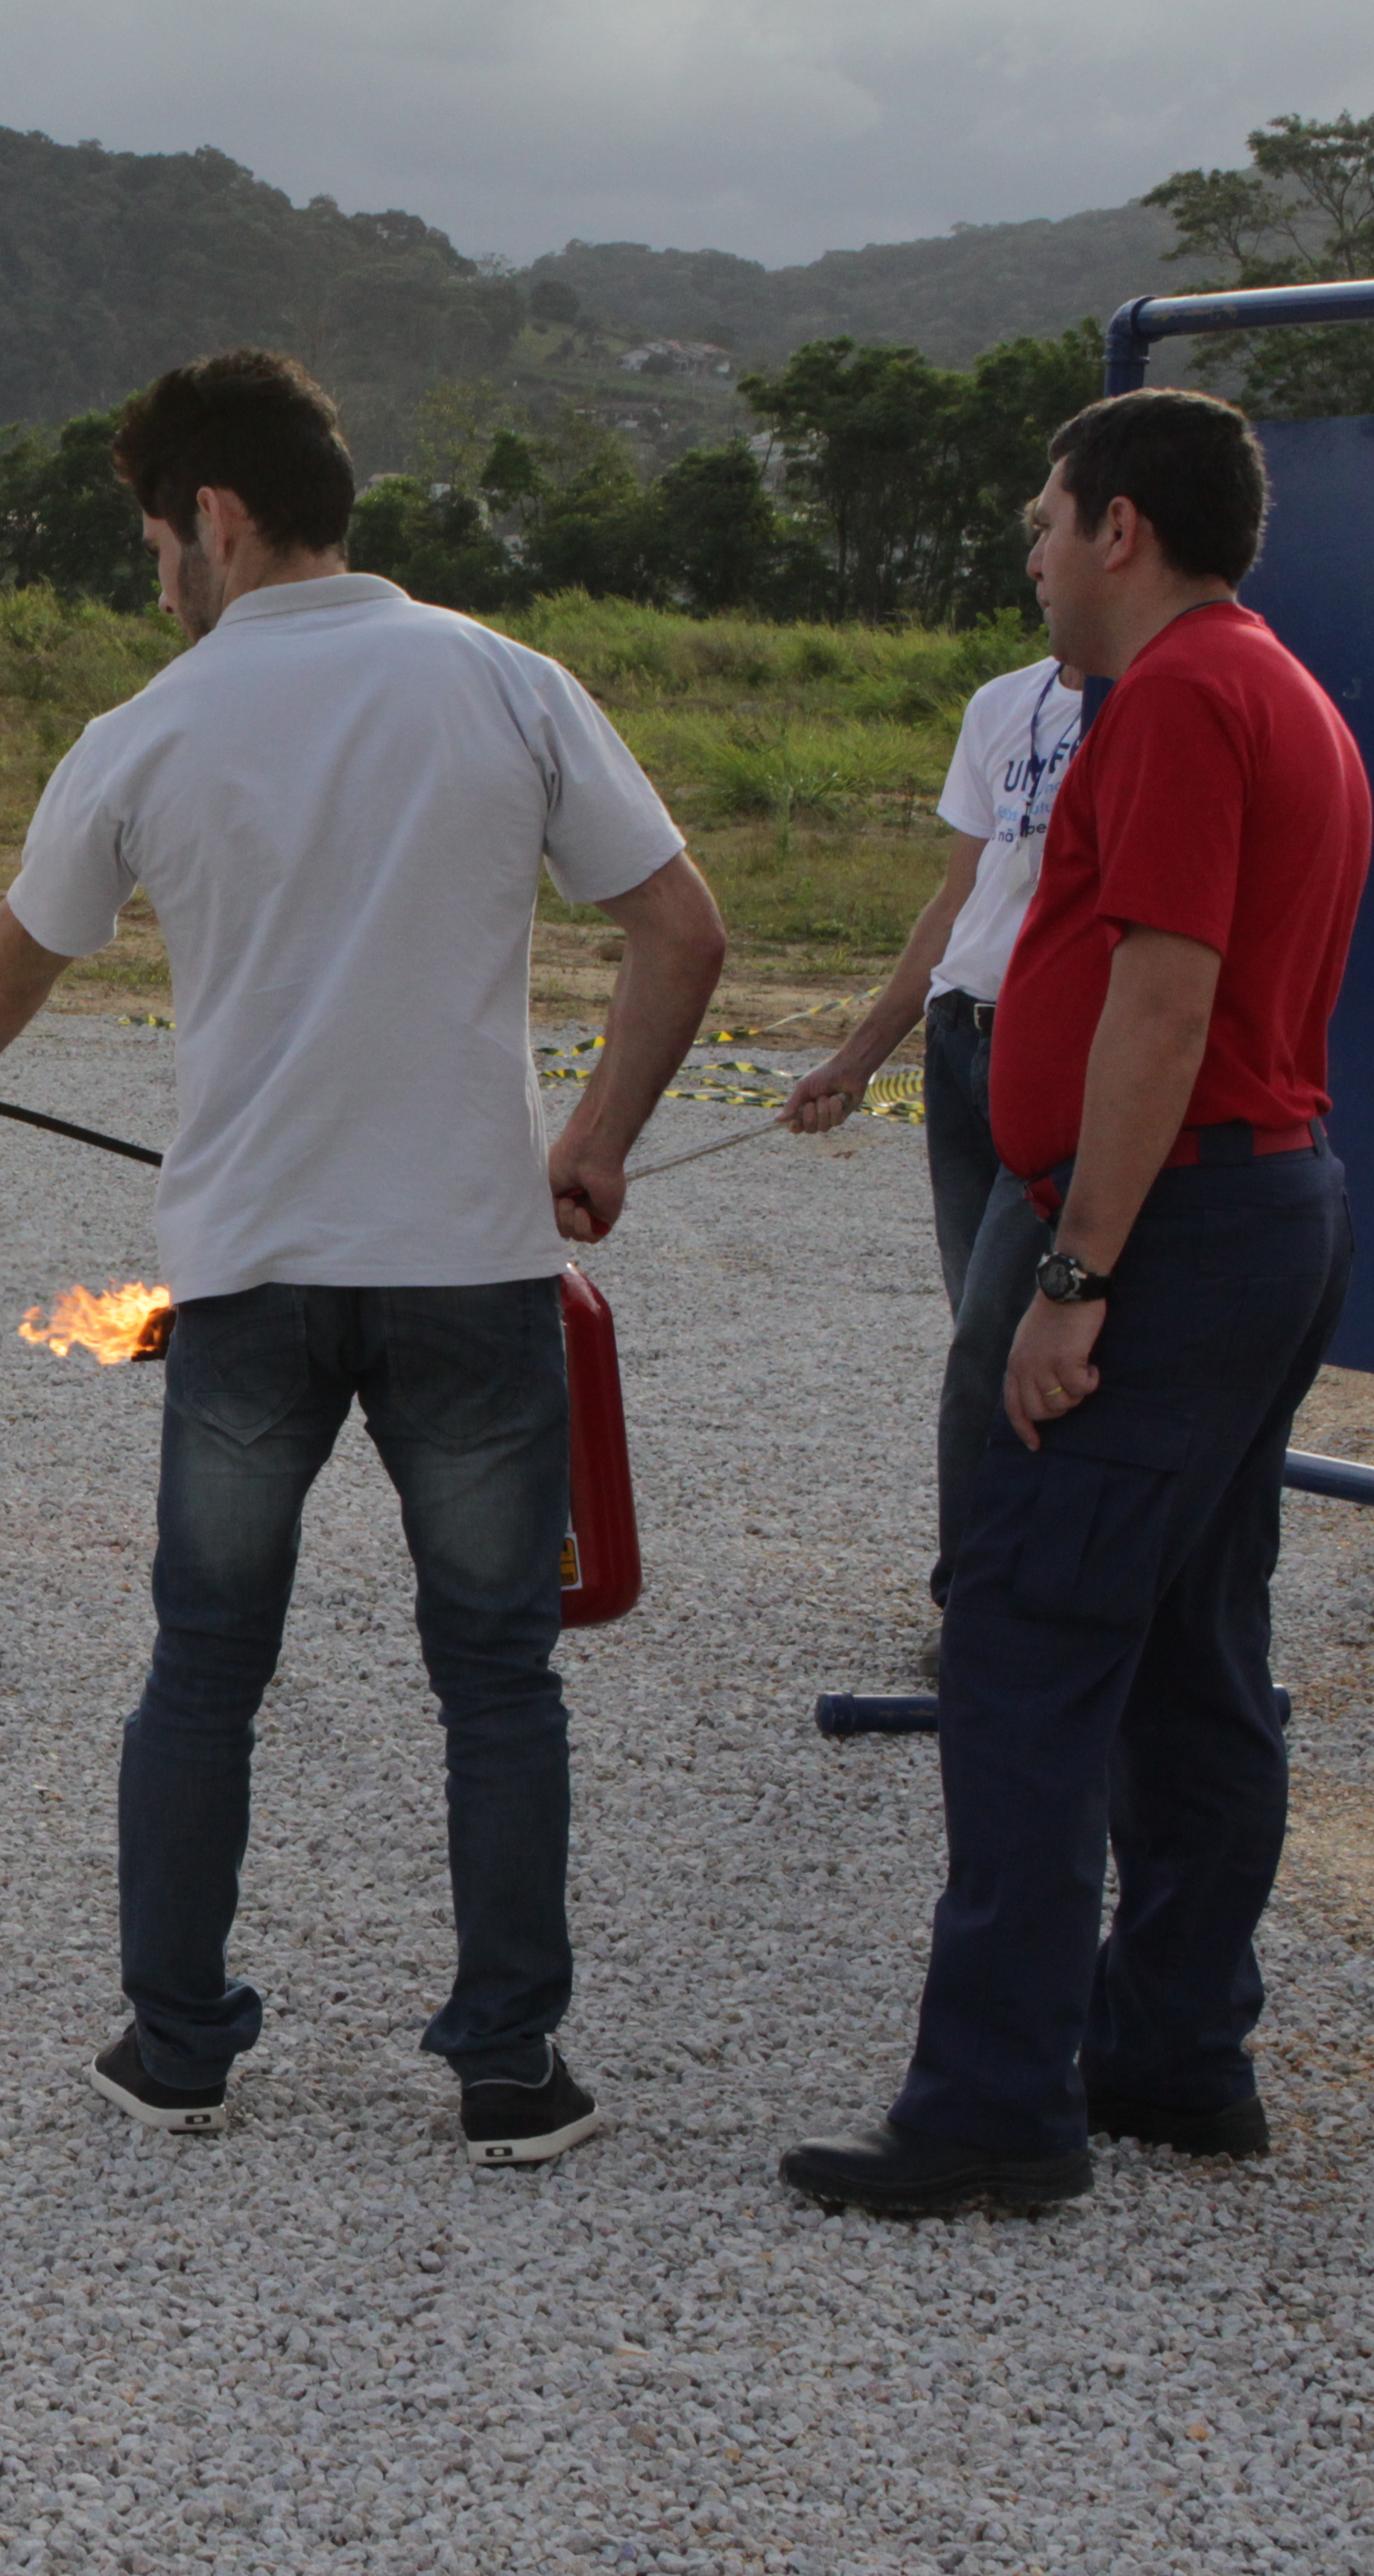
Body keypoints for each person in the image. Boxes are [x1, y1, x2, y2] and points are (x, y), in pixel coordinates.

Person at [0, 349, 726, 2166]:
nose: (156, 573)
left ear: (221, 521)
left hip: (250, 1279)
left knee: (207, 1666)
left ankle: (180, 2050)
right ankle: (510, 2071)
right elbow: (683, 931)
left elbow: (1, 971)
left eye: (157, 538)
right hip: (471, 1269)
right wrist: (596, 1143)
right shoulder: (507, 684)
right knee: (496, 1677)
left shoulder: (150, 732)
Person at [783, 388, 1368, 2215]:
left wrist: (1073, 1273)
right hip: (1258, 1210)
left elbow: (1163, 1004)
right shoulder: (1271, 686)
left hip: (1178, 1223)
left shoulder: (1184, 697)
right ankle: (1173, 2056)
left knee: (1029, 1647)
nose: (1030, 554)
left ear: (1120, 528)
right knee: (1194, 1648)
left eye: (1044, 521)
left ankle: (993, 2110)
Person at [781, 653, 1085, 1645]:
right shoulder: (1003, 702)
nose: (1038, 557)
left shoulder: (1155, 699)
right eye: (1031, 532)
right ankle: (1019, 1591)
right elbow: (960, 899)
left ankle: (982, 1616)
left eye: (1053, 529)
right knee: (985, 1328)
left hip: (1063, 1045)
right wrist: (861, 1057)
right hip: (964, 1041)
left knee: (993, 1345)